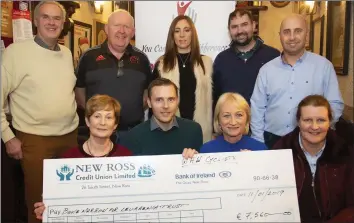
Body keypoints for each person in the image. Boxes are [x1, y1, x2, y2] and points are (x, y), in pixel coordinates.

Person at [1, 2, 79, 222]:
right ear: (35, 21)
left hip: (69, 137)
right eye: (46, 17)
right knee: (39, 205)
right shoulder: (16, 53)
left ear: (63, 23)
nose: (51, 23)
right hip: (34, 140)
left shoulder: (66, 53)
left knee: (68, 202)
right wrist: (8, 137)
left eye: (57, 18)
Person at [251, 14, 344, 148]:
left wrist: (319, 131)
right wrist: (259, 143)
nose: (292, 37)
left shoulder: (324, 67)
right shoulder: (266, 70)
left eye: (298, 31)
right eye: (287, 32)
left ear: (307, 34)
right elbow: (257, 109)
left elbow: (335, 104)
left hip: (312, 141)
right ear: (280, 36)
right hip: (273, 140)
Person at [33, 94, 132, 220]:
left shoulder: (126, 156)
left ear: (115, 124)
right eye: (97, 116)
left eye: (108, 117)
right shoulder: (68, 159)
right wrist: (46, 209)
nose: (102, 122)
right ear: (87, 121)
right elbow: (56, 199)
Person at [272, 95, 354, 223]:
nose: (314, 127)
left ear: (329, 122)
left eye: (321, 120)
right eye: (308, 120)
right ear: (298, 122)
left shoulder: (345, 153)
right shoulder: (280, 151)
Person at [75, 9, 154, 141]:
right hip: (98, 133)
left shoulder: (142, 59)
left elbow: (147, 95)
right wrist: (100, 117)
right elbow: (79, 93)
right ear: (107, 29)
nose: (121, 31)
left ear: (133, 32)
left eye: (127, 27)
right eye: (117, 25)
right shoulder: (89, 57)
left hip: (133, 132)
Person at [153, 15, 213, 142]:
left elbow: (214, 99)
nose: (182, 35)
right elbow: (153, 101)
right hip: (169, 131)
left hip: (200, 131)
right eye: (177, 30)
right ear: (172, 35)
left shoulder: (206, 63)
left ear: (193, 34)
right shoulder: (162, 64)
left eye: (186, 30)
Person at [213, 9, 279, 106]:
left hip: (264, 120)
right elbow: (216, 99)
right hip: (231, 120)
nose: (240, 31)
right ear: (229, 30)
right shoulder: (221, 60)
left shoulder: (273, 56)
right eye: (234, 27)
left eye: (244, 25)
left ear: (253, 25)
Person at [120, 78, 203, 155]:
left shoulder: (193, 130)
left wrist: (196, 161)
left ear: (177, 101)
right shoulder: (134, 137)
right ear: (149, 102)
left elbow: (198, 169)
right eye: (159, 100)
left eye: (171, 99)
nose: (166, 106)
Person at [201, 93, 267, 153]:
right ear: (218, 120)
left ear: (247, 119)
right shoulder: (206, 150)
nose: (233, 122)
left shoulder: (260, 150)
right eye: (226, 116)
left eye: (239, 115)